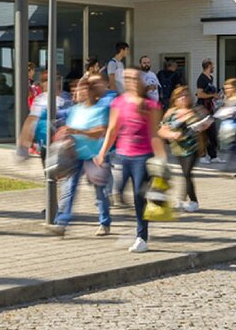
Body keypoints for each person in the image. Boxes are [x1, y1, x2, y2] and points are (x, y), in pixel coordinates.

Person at [95, 69, 166, 253]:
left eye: (134, 78)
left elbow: (154, 134)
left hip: (143, 156)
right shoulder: (119, 102)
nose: (131, 81)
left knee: (138, 196)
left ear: (140, 81)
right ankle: (139, 220)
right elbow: (112, 130)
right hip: (123, 155)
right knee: (118, 193)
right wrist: (102, 152)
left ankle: (141, 237)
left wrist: (162, 159)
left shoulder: (150, 105)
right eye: (127, 78)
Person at [47, 77, 114, 236]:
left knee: (100, 192)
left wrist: (78, 131)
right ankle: (61, 223)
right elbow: (69, 128)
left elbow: (100, 132)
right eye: (78, 89)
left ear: (91, 91)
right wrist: (66, 135)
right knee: (69, 189)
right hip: (76, 155)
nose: (80, 92)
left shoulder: (101, 109)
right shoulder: (75, 109)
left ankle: (105, 222)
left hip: (95, 156)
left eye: (83, 89)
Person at [158, 87, 208, 211]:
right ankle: (182, 200)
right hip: (178, 148)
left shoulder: (195, 111)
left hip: (193, 147)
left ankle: (193, 201)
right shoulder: (171, 113)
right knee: (186, 174)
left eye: (186, 95)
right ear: (175, 99)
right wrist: (172, 134)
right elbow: (161, 130)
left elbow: (206, 122)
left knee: (187, 173)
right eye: (180, 96)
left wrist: (202, 125)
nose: (183, 98)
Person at [212, 79, 236, 178]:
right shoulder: (226, 98)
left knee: (235, 145)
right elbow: (221, 109)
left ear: (235, 88)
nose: (226, 90)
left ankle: (228, 167)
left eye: (229, 88)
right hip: (230, 125)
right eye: (225, 88)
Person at [193, 60, 220, 164]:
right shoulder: (202, 78)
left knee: (212, 132)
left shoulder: (210, 78)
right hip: (202, 107)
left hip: (209, 107)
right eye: (212, 65)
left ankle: (213, 155)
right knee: (203, 133)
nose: (214, 67)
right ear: (208, 66)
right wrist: (212, 95)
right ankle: (202, 155)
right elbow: (200, 94)